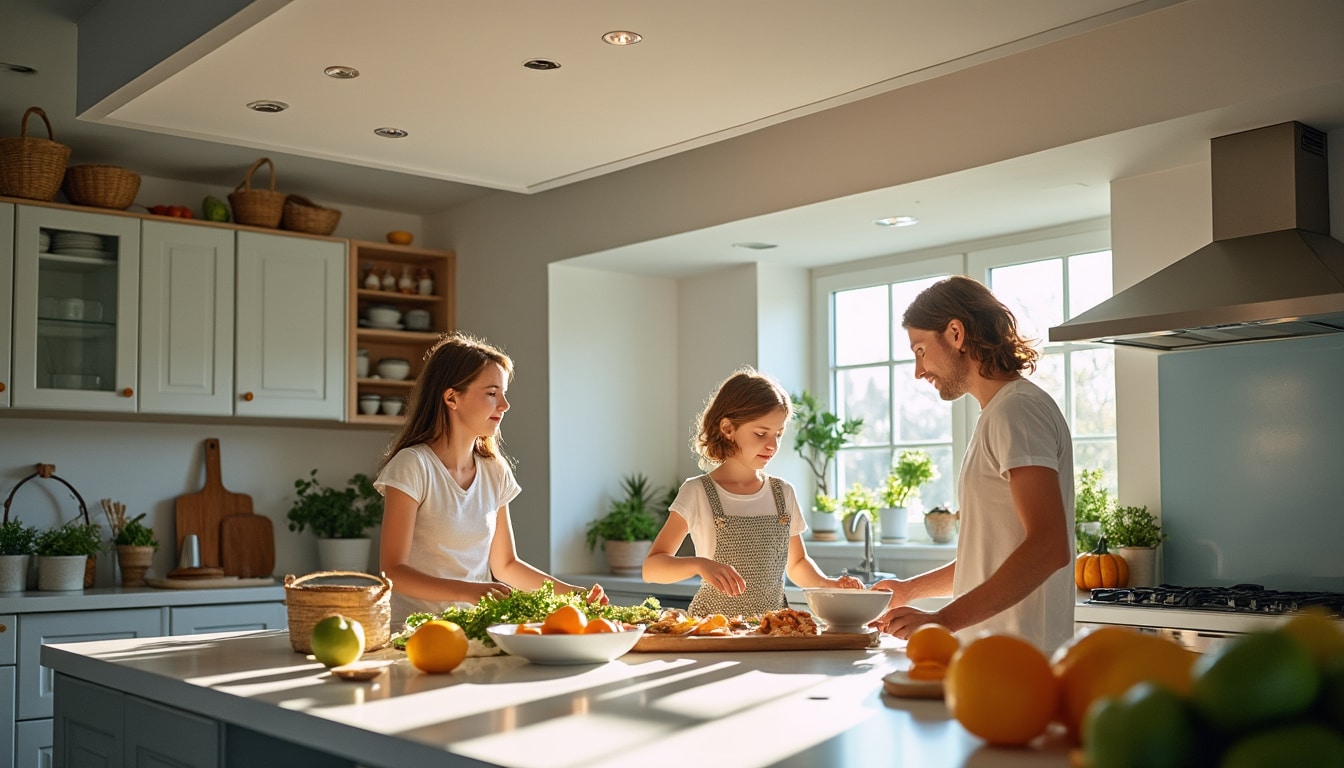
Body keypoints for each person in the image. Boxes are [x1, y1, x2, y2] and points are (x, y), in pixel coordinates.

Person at [870, 276, 1075, 653]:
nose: (919, 371)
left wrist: (941, 621)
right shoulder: (1001, 412)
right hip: (992, 659)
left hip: (1017, 662)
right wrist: (909, 590)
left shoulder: (1017, 410)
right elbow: (989, 560)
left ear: (955, 333)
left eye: (920, 350)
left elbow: (1049, 547)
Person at [376, 331, 606, 626]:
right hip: (414, 635)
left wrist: (575, 596)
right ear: (451, 398)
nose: (505, 405)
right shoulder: (412, 466)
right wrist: (472, 592)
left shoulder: (494, 470)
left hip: (475, 633)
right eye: (492, 393)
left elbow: (506, 564)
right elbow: (393, 570)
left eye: (504, 393)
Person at [643, 367, 863, 616]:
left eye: (778, 434)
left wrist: (827, 583)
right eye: (761, 433)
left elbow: (798, 563)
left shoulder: (783, 493)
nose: (772, 445)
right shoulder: (697, 492)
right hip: (714, 632)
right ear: (728, 429)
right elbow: (652, 568)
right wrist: (700, 565)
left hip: (773, 630)